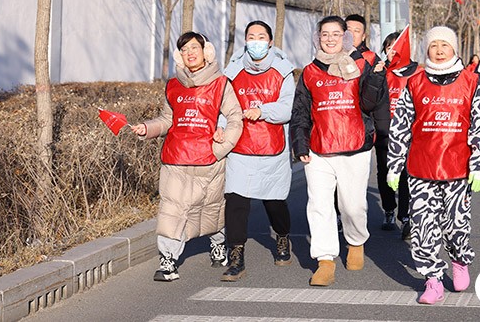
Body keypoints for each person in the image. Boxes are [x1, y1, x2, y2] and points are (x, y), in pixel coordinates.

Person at [386, 26, 480, 305]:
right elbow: (401, 126)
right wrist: (395, 165)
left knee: (457, 226)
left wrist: (478, 165)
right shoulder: (416, 82)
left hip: (458, 170)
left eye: (445, 45)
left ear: (454, 49)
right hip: (421, 169)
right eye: (434, 45)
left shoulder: (471, 82)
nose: (440, 50)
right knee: (423, 227)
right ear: (427, 50)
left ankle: (459, 261)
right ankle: (432, 279)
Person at [130, 32, 243, 282]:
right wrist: (147, 128)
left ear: (206, 52)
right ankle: (168, 262)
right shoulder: (173, 85)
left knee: (211, 208)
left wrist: (220, 149)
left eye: (194, 48)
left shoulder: (221, 83)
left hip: (209, 158)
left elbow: (236, 118)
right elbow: (167, 119)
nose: (190, 53)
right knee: (171, 209)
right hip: (175, 157)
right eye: (184, 50)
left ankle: (217, 245)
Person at [290, 16, 387, 287]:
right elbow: (300, 112)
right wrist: (300, 144)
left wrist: (377, 77)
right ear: (317, 38)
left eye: (336, 34)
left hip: (354, 146)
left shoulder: (360, 65)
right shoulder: (309, 72)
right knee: (319, 206)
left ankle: (356, 242)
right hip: (319, 151)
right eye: (325, 34)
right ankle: (325, 260)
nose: (330, 39)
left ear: (345, 37)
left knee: (352, 206)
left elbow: (369, 104)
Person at [219, 21, 296, 281]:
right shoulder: (232, 71)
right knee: (236, 201)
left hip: (271, 145)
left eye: (261, 36)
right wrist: (220, 129)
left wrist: (263, 111)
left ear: (270, 41)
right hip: (240, 146)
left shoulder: (283, 71)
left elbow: (288, 108)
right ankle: (236, 254)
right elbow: (224, 106)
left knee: (274, 202)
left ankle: (283, 237)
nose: (256, 41)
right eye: (251, 36)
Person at [345, 14, 394, 231]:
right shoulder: (333, 58)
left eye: (356, 30)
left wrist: (383, 130)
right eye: (347, 29)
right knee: (349, 173)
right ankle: (345, 215)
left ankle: (390, 209)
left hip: (375, 122)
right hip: (349, 126)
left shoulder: (373, 59)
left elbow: (381, 98)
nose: (351, 34)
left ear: (364, 35)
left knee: (384, 169)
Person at [382, 30, 422, 240]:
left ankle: (405, 217)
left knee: (407, 175)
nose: (392, 52)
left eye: (396, 48)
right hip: (385, 133)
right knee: (386, 175)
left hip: (411, 134)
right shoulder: (381, 72)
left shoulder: (418, 73)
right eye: (388, 48)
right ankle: (389, 210)